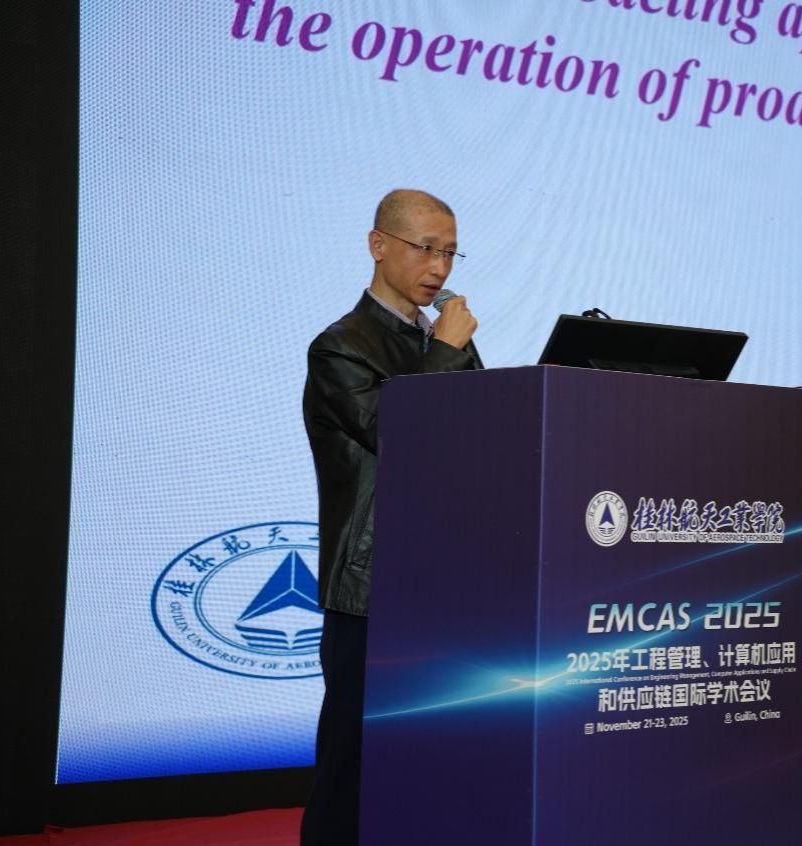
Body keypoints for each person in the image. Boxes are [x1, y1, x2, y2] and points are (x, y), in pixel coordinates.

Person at [300, 189, 482, 846]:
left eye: (451, 253)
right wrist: (447, 352)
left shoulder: (442, 344)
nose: (440, 267)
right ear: (378, 245)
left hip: (446, 584)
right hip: (371, 588)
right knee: (353, 764)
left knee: (433, 759)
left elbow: (483, 441)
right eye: (426, 248)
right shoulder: (340, 347)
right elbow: (401, 433)